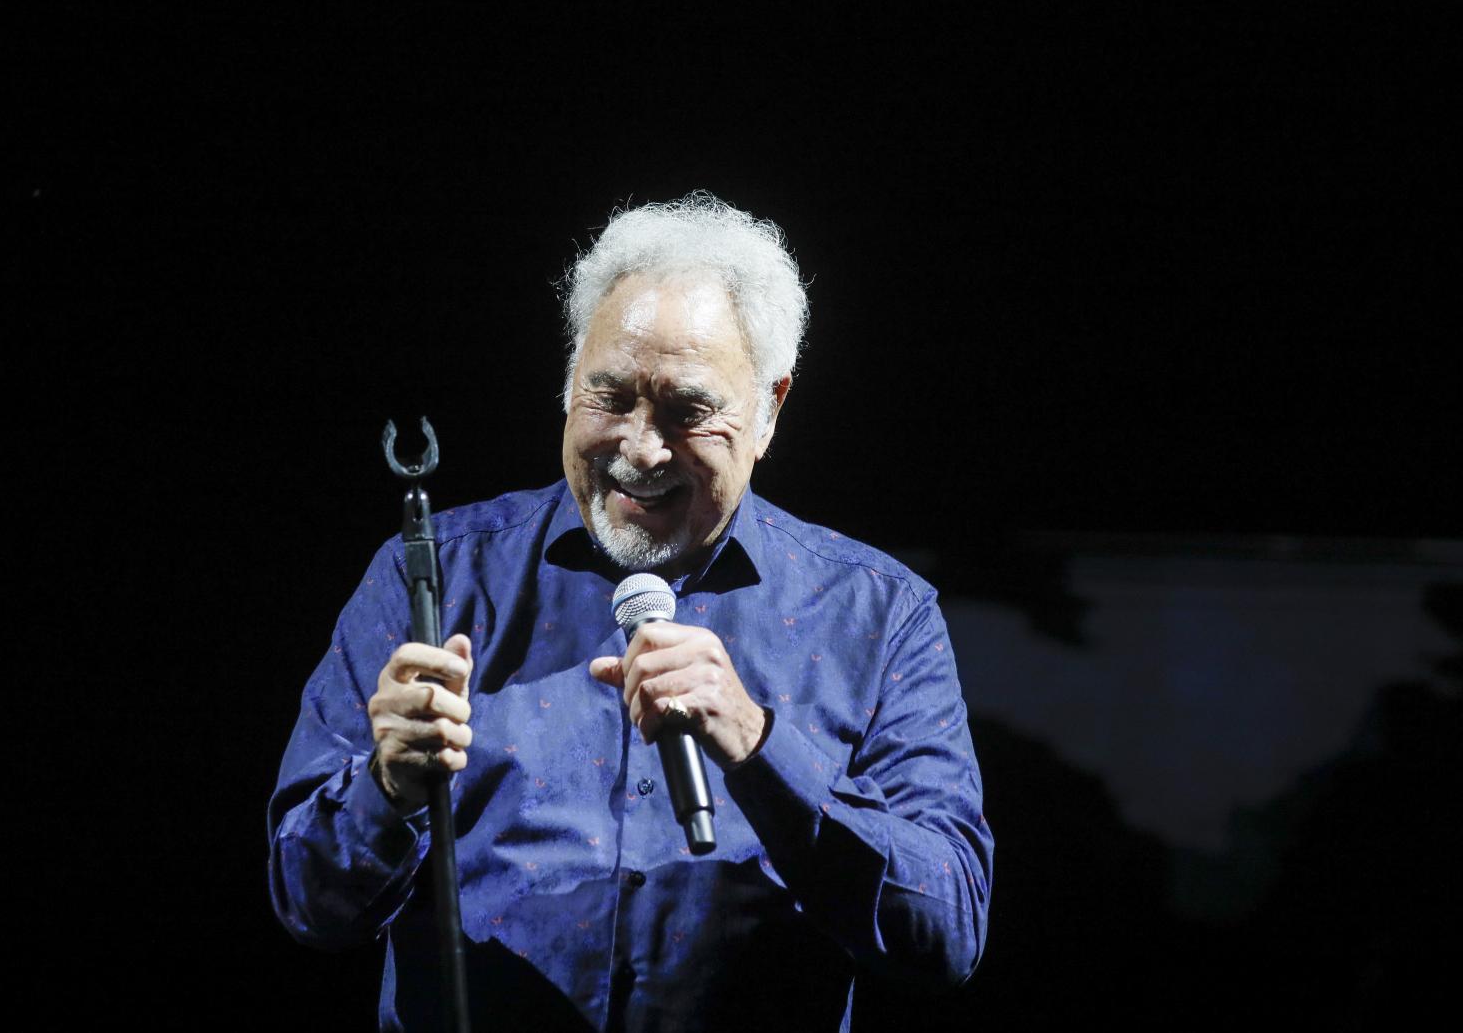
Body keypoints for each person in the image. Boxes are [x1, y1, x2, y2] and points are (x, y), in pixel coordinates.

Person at [268, 192, 993, 1032]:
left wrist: (761, 746)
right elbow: (307, 905)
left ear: (770, 409)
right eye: (608, 398)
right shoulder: (431, 579)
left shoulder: (878, 615)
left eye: (687, 411)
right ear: (568, 382)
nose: (640, 450)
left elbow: (945, 934)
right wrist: (386, 792)